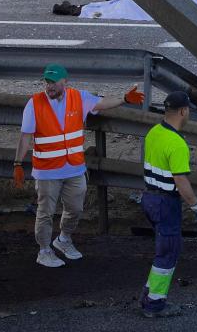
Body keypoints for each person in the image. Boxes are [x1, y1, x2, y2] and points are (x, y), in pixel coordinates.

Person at [13, 64, 141, 267]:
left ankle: (63, 239)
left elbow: (101, 103)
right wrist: (18, 163)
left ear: (65, 81)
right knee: (45, 212)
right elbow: (25, 136)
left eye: (53, 82)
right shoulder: (34, 103)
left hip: (74, 169)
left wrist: (124, 99)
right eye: (47, 82)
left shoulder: (78, 97)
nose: (49, 86)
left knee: (75, 208)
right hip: (47, 171)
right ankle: (44, 251)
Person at [140, 90, 197, 318]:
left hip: (149, 198)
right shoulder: (178, 143)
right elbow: (181, 183)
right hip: (165, 203)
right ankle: (154, 305)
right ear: (183, 111)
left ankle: (149, 294)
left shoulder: (154, 132)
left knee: (163, 251)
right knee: (168, 253)